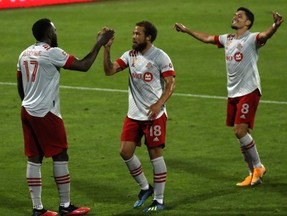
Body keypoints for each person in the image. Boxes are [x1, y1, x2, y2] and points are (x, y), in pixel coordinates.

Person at [174, 8, 284, 186]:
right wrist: (187, 30)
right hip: (233, 93)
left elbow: (265, 36)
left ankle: (258, 166)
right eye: (235, 15)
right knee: (243, 135)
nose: (235, 17)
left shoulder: (252, 38)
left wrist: (275, 26)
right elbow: (208, 38)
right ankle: (252, 175)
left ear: (247, 23)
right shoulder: (228, 39)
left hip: (249, 91)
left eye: (240, 16)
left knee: (239, 131)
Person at [17, 18, 114, 216]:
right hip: (46, 113)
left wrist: (29, 102)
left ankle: (38, 209)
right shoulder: (52, 52)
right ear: (50, 34)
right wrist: (100, 42)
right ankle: (65, 205)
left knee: (34, 158)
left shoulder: (24, 53)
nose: (56, 33)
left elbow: (20, 85)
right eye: (55, 30)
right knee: (61, 155)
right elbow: (84, 65)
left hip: (27, 110)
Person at [103, 21, 175, 212]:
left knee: (155, 157)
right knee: (125, 152)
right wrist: (106, 49)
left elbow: (170, 84)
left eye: (138, 34)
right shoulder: (130, 55)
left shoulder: (160, 57)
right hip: (134, 115)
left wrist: (159, 104)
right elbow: (109, 71)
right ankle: (145, 188)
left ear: (148, 37)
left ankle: (159, 200)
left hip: (154, 116)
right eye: (133, 33)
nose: (133, 37)